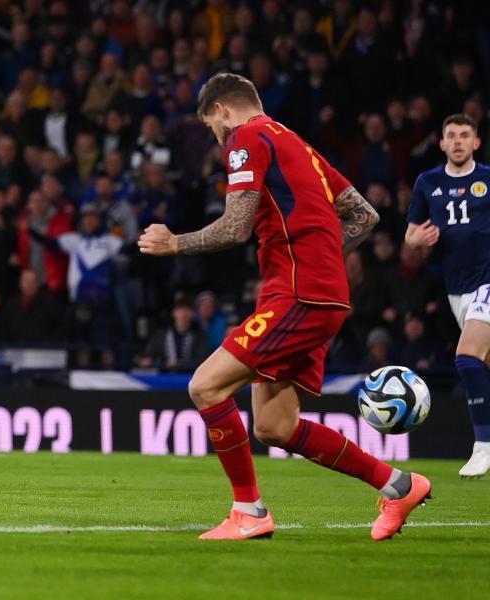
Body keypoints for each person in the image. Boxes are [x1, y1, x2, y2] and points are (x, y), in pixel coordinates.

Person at [138, 73, 430, 541]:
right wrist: (326, 258)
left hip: (299, 292)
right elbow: (364, 215)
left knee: (205, 387)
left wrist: (176, 243)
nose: (219, 140)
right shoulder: (298, 145)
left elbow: (236, 226)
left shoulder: (247, 136)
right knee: (275, 426)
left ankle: (249, 512)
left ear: (223, 110)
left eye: (214, 128)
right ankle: (398, 485)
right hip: (317, 291)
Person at [404, 113, 490, 477]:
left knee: (467, 358)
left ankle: (483, 446)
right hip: (457, 290)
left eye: (464, 135)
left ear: (476, 143)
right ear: (441, 144)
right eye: (451, 135)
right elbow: (410, 236)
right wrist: (417, 241)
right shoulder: (428, 182)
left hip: (488, 281)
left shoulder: (487, 179)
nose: (457, 141)